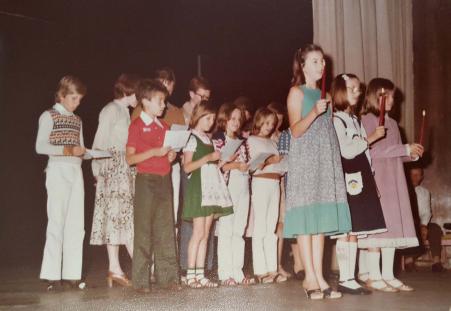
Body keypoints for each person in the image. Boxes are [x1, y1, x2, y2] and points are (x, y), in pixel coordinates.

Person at [284, 44, 351, 300]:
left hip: (325, 160)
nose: (321, 65)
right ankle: (309, 277)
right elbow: (296, 131)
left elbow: (328, 132)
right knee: (305, 220)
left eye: (322, 61)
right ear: (302, 66)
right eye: (315, 61)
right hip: (305, 162)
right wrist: (314, 112)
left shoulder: (328, 96)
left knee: (320, 222)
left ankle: (320, 277)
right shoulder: (296, 93)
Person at [358, 78, 424, 292]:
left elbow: (395, 154)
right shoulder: (366, 119)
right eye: (391, 96)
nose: (394, 100)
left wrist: (411, 155)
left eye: (394, 96)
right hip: (377, 180)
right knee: (378, 230)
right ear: (378, 96)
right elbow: (372, 152)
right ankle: (373, 275)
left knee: (392, 229)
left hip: (394, 181)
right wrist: (404, 149)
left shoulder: (394, 124)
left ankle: (388, 274)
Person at [331, 73, 388, 295]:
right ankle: (345, 278)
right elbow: (346, 150)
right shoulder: (336, 119)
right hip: (347, 176)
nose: (358, 91)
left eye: (358, 88)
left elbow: (366, 154)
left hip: (360, 176)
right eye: (352, 88)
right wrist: (371, 137)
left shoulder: (354, 119)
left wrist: (371, 178)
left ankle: (349, 277)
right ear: (340, 91)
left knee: (354, 229)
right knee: (346, 228)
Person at [126, 79, 179, 293]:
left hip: (165, 181)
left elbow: (167, 155)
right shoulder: (136, 126)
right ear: (145, 102)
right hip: (146, 181)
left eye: (164, 102)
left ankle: (168, 278)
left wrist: (172, 155)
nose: (164, 105)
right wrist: (154, 152)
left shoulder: (164, 126)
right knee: (144, 231)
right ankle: (140, 282)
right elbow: (130, 159)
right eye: (160, 101)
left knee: (166, 229)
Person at [36, 75, 87, 290]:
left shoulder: (77, 120)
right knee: (56, 222)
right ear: (62, 95)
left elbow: (81, 148)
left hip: (76, 170)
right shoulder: (48, 116)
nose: (76, 103)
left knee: (77, 224)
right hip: (58, 169)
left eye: (79, 99)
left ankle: (72, 273)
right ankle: (51, 274)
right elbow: (40, 147)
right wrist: (67, 150)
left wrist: (88, 153)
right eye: (73, 98)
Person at [90, 74, 139, 287]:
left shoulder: (126, 112)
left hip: (125, 168)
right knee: (115, 218)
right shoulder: (110, 110)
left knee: (125, 218)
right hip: (112, 168)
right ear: (129, 92)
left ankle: (122, 267)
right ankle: (118, 267)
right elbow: (99, 141)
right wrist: (97, 170)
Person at [182, 100, 233, 288]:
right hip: (199, 189)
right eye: (207, 118)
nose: (211, 122)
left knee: (206, 234)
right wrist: (207, 158)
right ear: (198, 116)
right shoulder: (191, 138)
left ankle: (200, 274)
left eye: (213, 119)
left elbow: (210, 164)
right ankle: (190, 275)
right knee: (197, 233)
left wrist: (219, 162)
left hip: (212, 190)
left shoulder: (208, 139)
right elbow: (187, 167)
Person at [212, 102, 254, 286]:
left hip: (243, 188)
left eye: (239, 119)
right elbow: (217, 167)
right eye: (233, 119)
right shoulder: (218, 140)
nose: (236, 122)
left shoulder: (243, 142)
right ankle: (225, 272)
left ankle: (238, 270)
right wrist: (236, 165)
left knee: (239, 231)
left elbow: (247, 163)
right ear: (224, 119)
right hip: (227, 189)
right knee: (227, 230)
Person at [247, 107, 287, 283]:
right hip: (261, 182)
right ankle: (260, 270)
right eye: (267, 123)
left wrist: (283, 164)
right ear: (258, 121)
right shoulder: (251, 140)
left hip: (275, 182)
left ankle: (272, 268)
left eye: (272, 124)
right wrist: (270, 160)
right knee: (260, 226)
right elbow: (252, 166)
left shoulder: (272, 142)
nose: (270, 127)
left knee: (271, 227)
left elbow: (281, 164)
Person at [405, 167, 445, 272]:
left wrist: (423, 225)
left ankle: (436, 262)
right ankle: (409, 260)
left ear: (421, 177)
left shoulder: (424, 192)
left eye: (417, 175)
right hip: (405, 223)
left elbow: (426, 212)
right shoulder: (402, 190)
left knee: (435, 228)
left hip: (420, 222)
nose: (414, 177)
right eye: (412, 174)